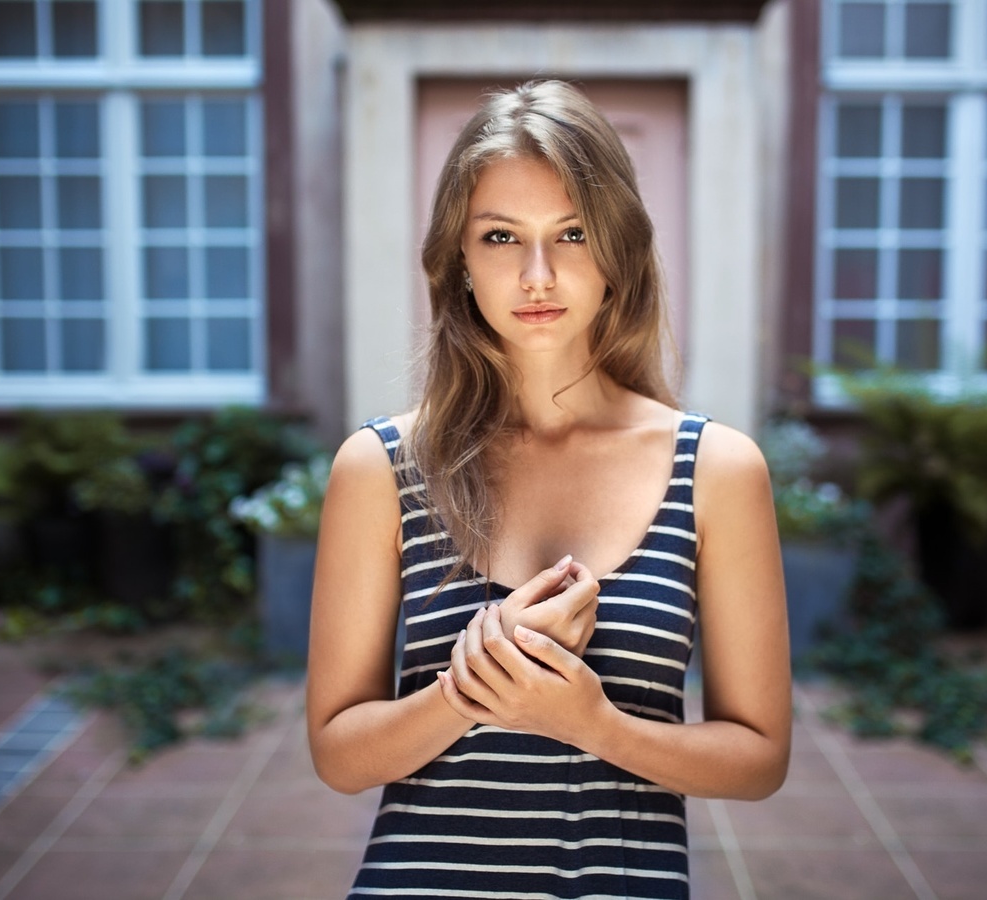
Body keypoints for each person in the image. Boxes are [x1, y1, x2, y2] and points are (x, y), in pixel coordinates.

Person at [306, 79, 791, 899]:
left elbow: (758, 760)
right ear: (458, 261)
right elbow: (340, 755)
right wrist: (479, 683)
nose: (538, 274)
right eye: (500, 237)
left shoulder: (716, 470)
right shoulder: (380, 467)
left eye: (571, 234)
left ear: (618, 253)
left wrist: (587, 722)